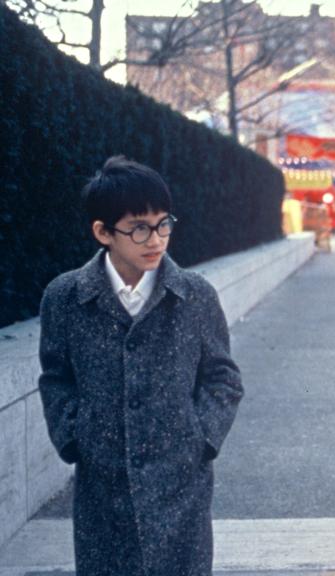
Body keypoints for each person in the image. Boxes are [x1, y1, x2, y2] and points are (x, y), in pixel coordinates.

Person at [37, 156, 244, 576]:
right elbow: (56, 378)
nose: (156, 239)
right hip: (102, 485)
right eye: (139, 228)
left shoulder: (195, 296)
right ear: (103, 232)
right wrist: (75, 437)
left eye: (163, 223)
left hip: (180, 483)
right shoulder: (65, 299)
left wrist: (200, 438)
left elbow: (223, 377)